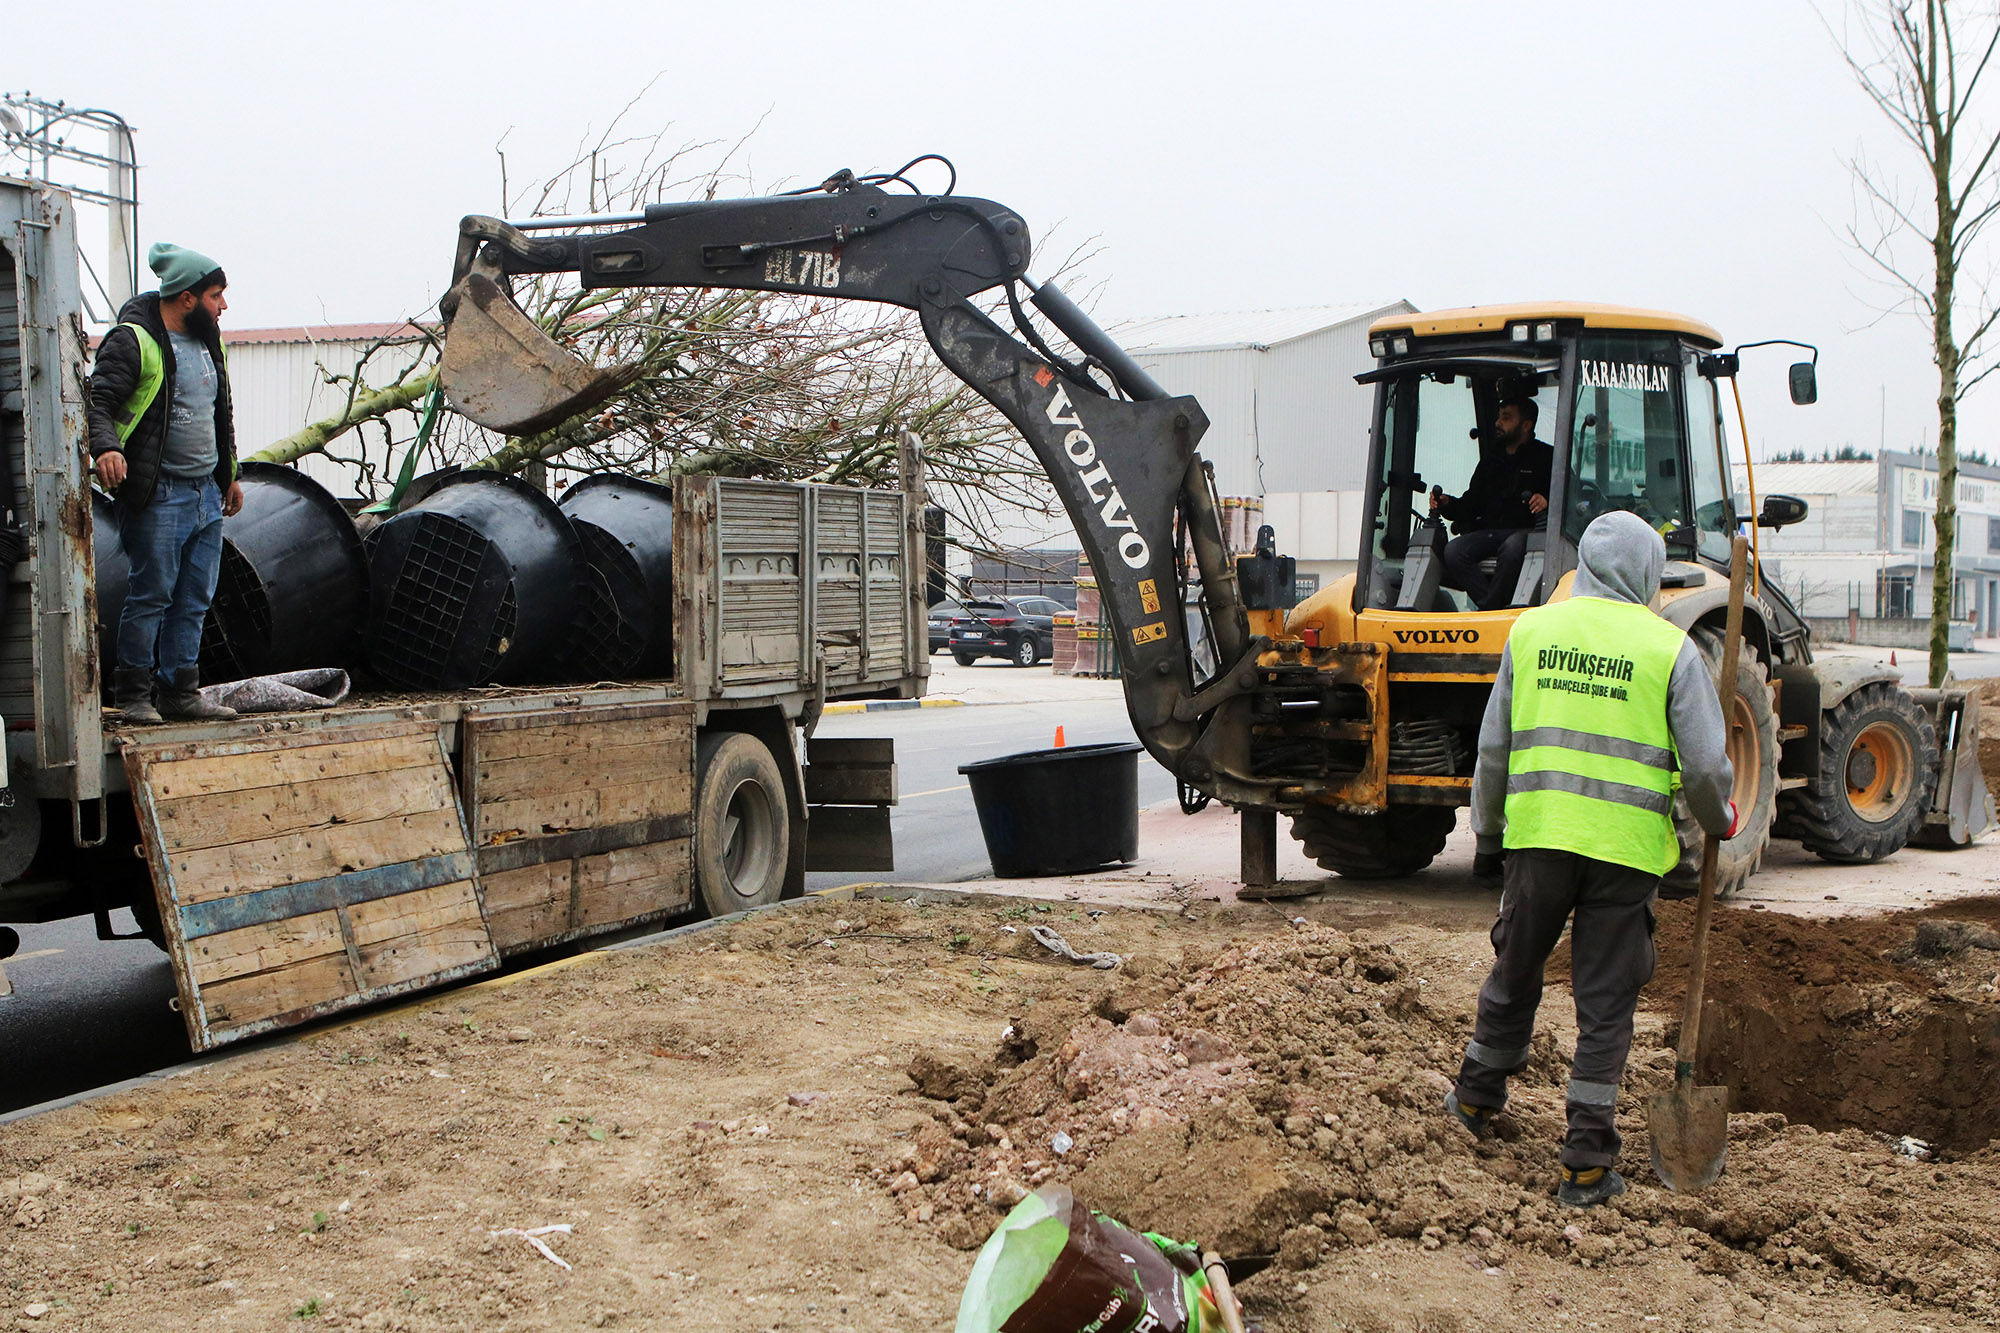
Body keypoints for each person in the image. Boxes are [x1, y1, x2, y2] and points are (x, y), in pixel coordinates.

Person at [1445, 509, 1737, 1208]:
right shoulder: (1671, 650)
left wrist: (1488, 834)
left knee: (1514, 971)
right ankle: (1584, 1162)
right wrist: (1717, 817)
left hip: (1540, 838)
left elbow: (1493, 749)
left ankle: (1476, 1101)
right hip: (1626, 855)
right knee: (1606, 1006)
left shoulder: (1533, 631)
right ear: (1644, 573)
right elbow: (1703, 767)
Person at [87, 242, 245, 725]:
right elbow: (98, 404)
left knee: (195, 596)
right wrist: (107, 449)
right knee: (152, 594)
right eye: (216, 295)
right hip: (159, 494)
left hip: (205, 494)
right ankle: (134, 694)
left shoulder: (210, 343)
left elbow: (220, 414)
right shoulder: (133, 341)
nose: (223, 306)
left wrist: (229, 475)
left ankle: (180, 692)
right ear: (187, 298)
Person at [1432, 398, 1554, 610]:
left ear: (1526, 425)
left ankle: (1489, 609)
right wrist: (1447, 504)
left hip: (1530, 533)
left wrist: (1547, 501)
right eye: (1499, 417)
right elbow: (1471, 504)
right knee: (1454, 551)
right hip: (1490, 533)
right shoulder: (1491, 460)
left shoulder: (1547, 457)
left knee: (1513, 546)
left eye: (1506, 418)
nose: (1498, 423)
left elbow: (1568, 500)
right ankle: (1493, 609)